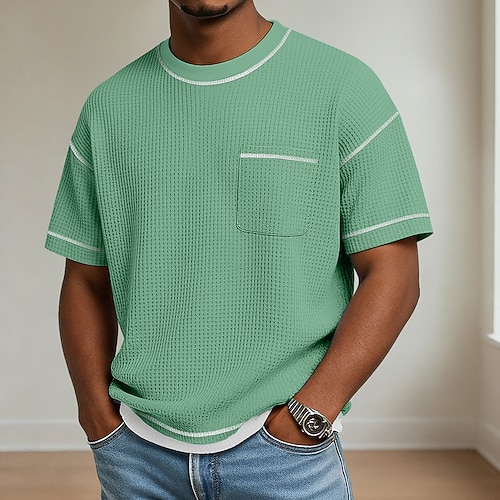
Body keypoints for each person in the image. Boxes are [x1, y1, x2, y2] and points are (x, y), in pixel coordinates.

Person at [45, 1, 432, 498]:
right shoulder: (108, 107)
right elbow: (84, 280)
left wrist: (309, 416)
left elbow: (394, 273)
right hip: (137, 459)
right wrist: (97, 419)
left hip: (285, 457)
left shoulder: (345, 88)